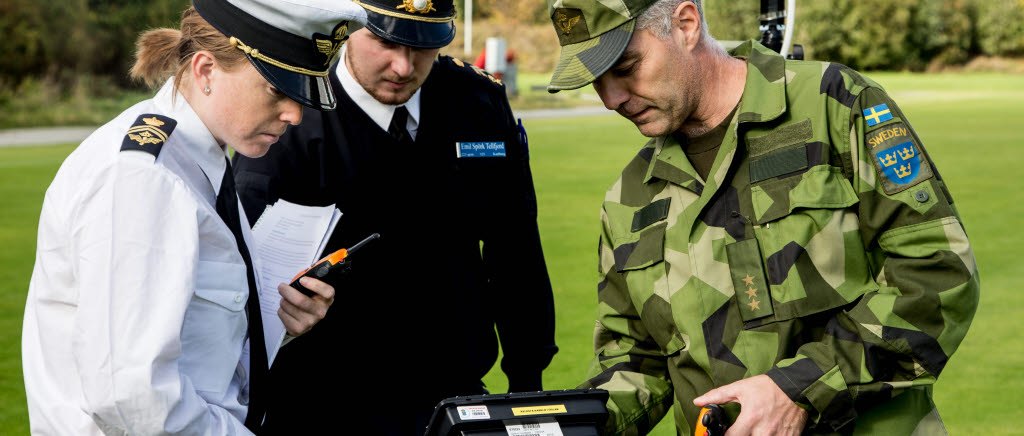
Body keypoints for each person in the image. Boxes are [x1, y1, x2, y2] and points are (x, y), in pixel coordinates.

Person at [545, 0, 980, 434]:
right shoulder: (629, 196)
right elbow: (636, 361)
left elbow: (936, 274)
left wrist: (802, 387)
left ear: (686, 23)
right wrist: (568, 424)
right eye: (597, 82)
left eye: (625, 66)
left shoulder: (835, 104)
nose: (611, 99)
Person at [21, 0, 366, 433]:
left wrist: (275, 327)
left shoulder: (192, 157)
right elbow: (133, 396)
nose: (295, 115)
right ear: (205, 71)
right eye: (278, 90)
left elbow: (198, 352)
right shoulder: (145, 179)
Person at [231, 0, 558, 434]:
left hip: (452, 394)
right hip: (326, 401)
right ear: (347, 29)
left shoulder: (477, 102)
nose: (403, 66)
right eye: (385, 41)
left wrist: (526, 379)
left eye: (422, 46)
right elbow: (242, 273)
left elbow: (515, 250)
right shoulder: (292, 112)